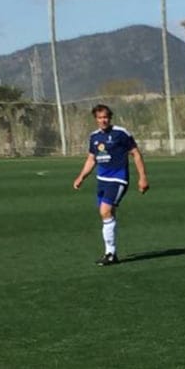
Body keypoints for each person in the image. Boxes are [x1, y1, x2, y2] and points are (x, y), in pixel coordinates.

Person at [72, 104, 149, 266]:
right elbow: (91, 158)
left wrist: (142, 178)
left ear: (110, 117)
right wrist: (81, 177)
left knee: (105, 211)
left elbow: (136, 154)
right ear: (96, 119)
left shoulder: (121, 133)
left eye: (105, 117)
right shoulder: (94, 137)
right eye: (100, 118)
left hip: (118, 178)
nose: (103, 120)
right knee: (107, 215)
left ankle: (110, 254)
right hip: (102, 179)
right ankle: (111, 253)